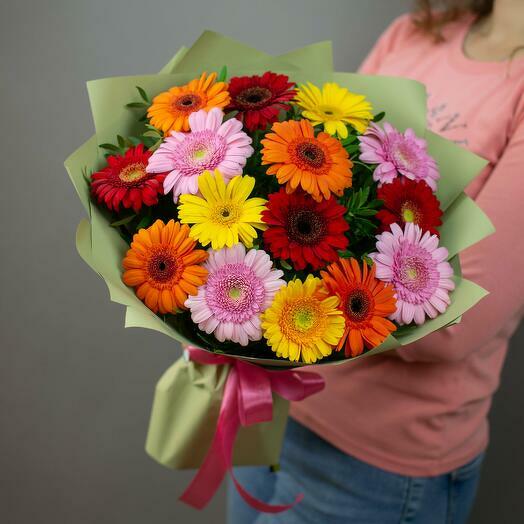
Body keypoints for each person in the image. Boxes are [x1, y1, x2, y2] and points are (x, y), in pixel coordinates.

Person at [227, 1, 524, 522]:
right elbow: (318, 164)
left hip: (377, 470)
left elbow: (458, 320)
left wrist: (268, 285)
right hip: (275, 407)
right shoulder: (414, 32)